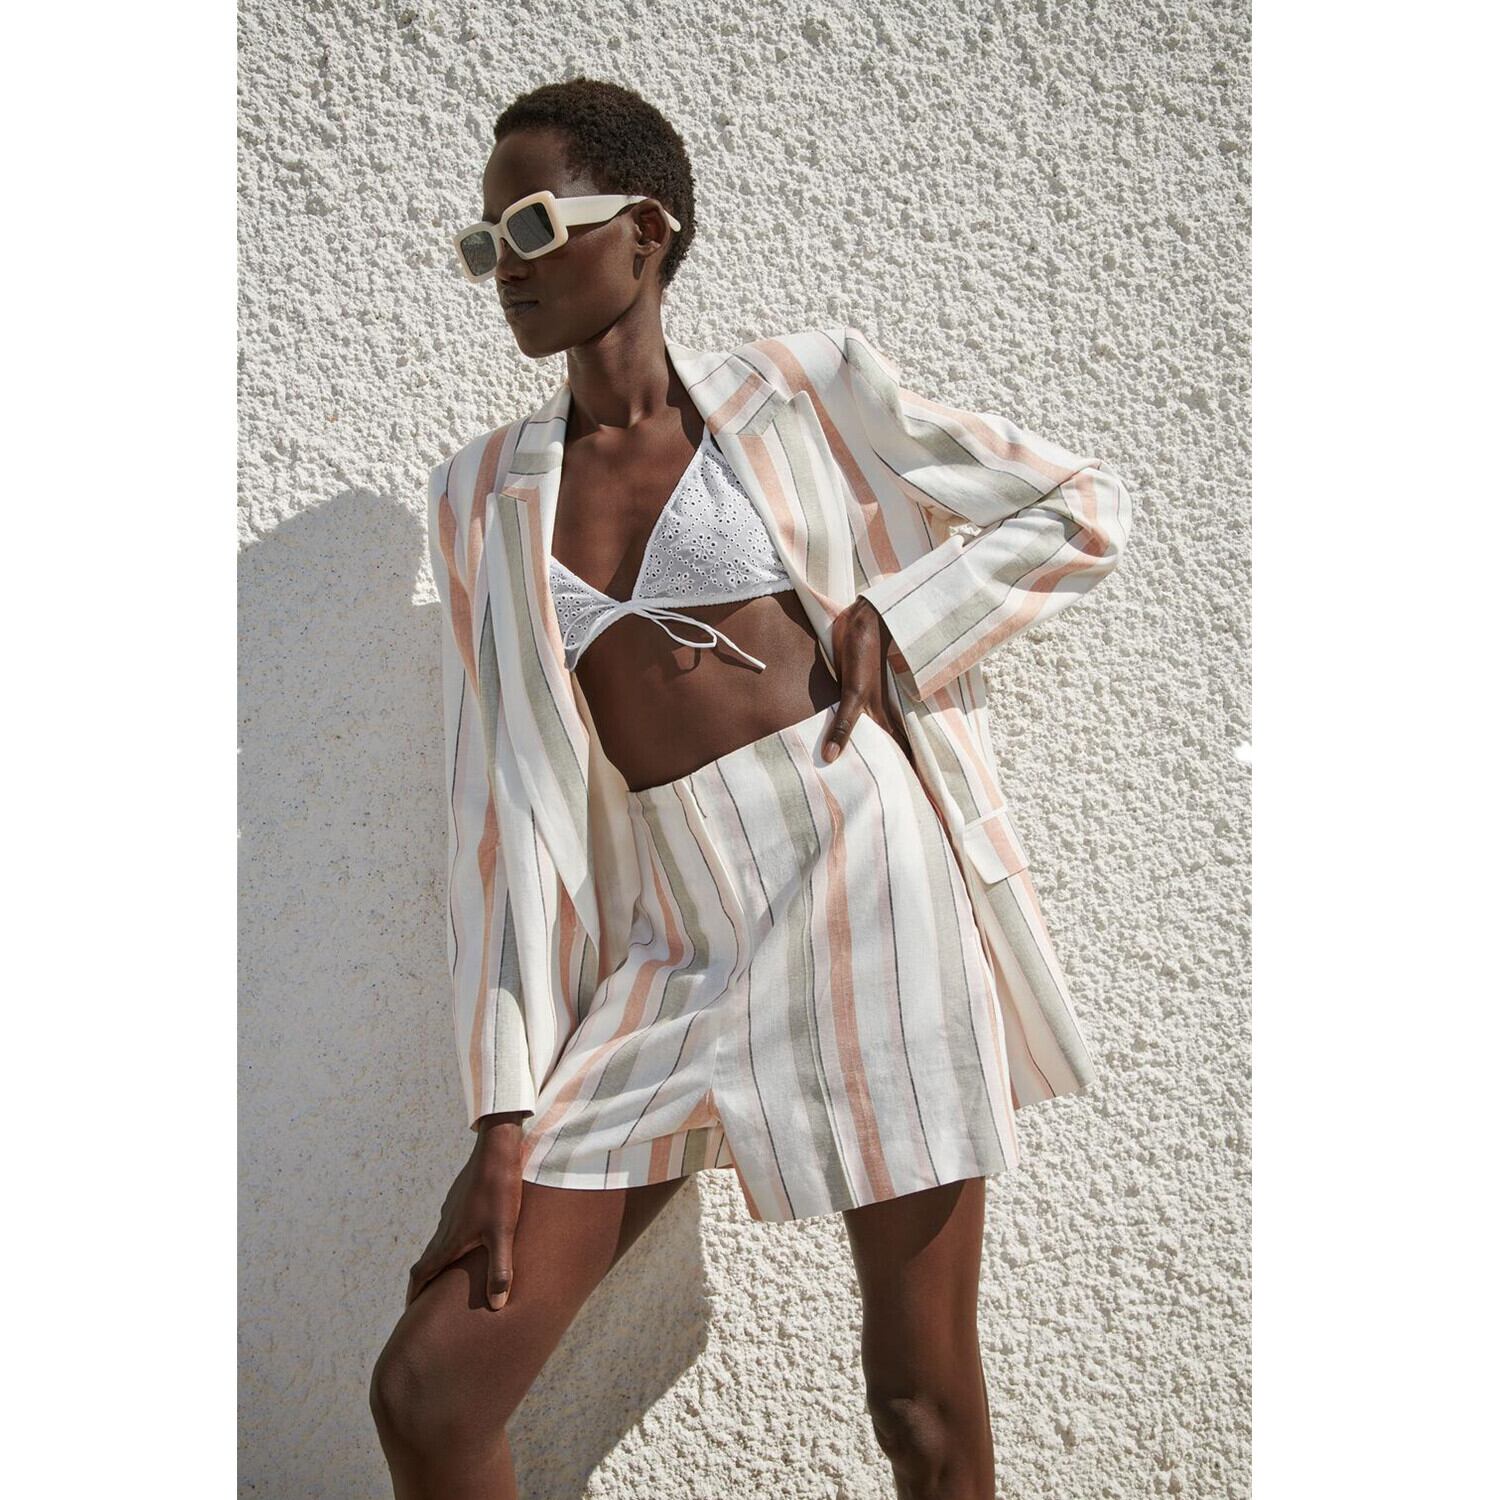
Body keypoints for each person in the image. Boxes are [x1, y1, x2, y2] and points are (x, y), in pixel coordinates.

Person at [370, 77, 1131, 1500]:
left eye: (531, 225)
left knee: (920, 1406)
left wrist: (906, 618)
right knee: (428, 1391)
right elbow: (500, 811)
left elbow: (1081, 507)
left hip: (865, 890)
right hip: (673, 936)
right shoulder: (480, 494)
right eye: (483, 244)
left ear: (646, 230)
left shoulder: (802, 388)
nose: (505, 265)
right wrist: (502, 1113)